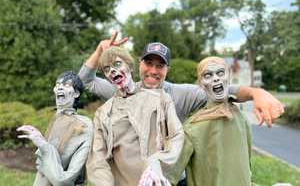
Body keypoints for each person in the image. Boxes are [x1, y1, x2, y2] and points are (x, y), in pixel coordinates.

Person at [78, 31, 284, 126]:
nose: (153, 71)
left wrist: (257, 93)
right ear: (139, 64)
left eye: (160, 66)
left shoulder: (180, 94)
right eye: (149, 63)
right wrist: (99, 52)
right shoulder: (121, 91)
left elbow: (226, 90)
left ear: (167, 69)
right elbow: (86, 80)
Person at [86, 46, 183, 186]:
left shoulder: (160, 98)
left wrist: (158, 163)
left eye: (117, 64)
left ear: (130, 67)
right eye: (107, 69)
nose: (112, 70)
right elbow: (97, 158)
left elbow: (177, 136)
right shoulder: (103, 112)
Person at [166, 56, 252, 186]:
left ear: (228, 76)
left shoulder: (241, 118)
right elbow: (168, 176)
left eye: (220, 73)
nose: (216, 78)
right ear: (201, 84)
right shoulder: (193, 128)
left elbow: (246, 167)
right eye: (208, 75)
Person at [17, 71, 93, 186]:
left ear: (76, 93)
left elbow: (63, 180)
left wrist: (44, 145)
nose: (60, 87)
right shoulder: (57, 118)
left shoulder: (84, 125)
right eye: (57, 85)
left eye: (66, 85)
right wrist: (41, 138)